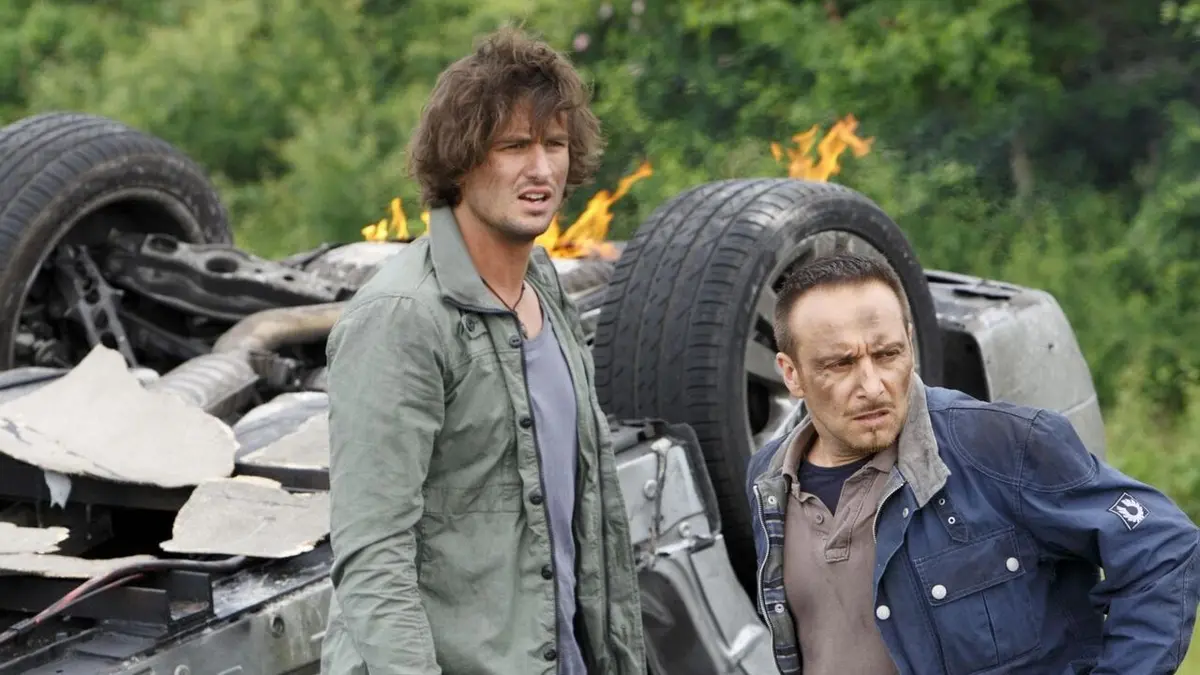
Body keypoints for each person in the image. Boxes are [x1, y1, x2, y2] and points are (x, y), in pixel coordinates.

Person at [320, 27, 646, 675]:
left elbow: (585, 522)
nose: (542, 169)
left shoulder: (543, 285)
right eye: (514, 145)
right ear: (461, 159)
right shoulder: (402, 317)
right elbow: (373, 555)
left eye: (555, 144)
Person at [745, 253, 1200, 675]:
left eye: (887, 354)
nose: (873, 385)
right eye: (840, 364)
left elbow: (1163, 545)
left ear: (910, 344)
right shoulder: (768, 483)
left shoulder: (1000, 445)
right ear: (791, 374)